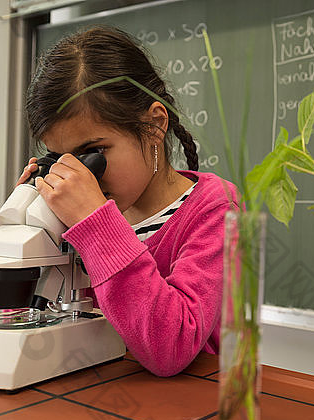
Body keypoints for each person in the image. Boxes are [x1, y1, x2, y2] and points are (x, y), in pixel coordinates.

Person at [16, 26, 238, 377]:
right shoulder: (74, 212)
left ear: (153, 126)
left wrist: (97, 228)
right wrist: (32, 226)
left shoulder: (215, 209)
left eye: (93, 153)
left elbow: (171, 348)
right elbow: (36, 321)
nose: (80, 176)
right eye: (59, 157)